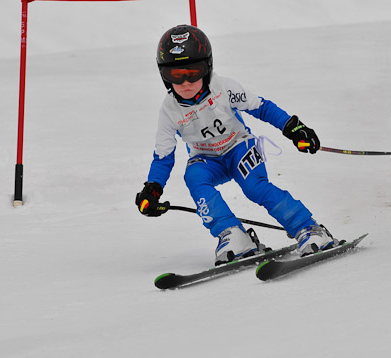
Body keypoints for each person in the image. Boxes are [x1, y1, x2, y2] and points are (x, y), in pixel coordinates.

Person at [135, 24, 336, 265]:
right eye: (176, 75)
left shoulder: (224, 88)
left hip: (240, 147)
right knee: (194, 176)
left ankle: (309, 229)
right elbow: (164, 156)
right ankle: (233, 235)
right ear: (164, 76)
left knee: (254, 187)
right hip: (208, 161)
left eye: (194, 72)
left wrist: (293, 128)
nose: (186, 82)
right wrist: (153, 188)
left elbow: (262, 108)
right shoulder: (169, 111)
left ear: (207, 67)